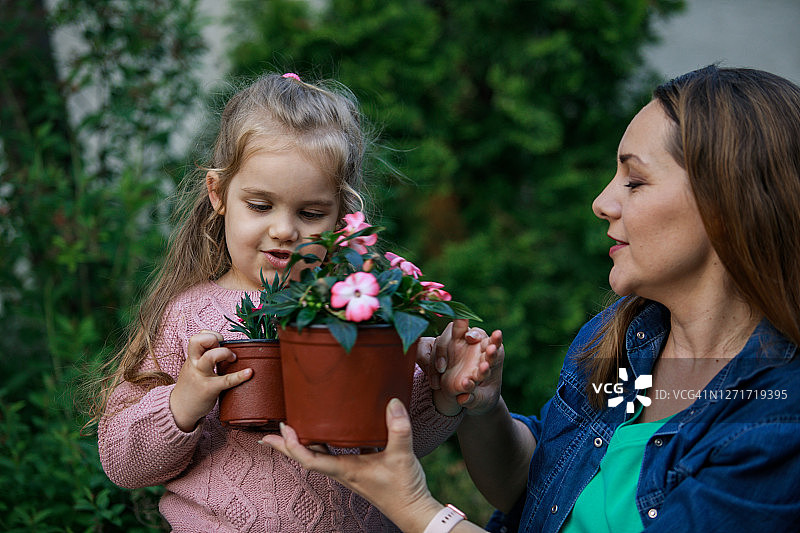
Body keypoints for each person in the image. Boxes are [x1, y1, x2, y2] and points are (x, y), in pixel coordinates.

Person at [262, 65, 800, 532]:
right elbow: (536, 489)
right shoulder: (628, 339)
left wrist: (416, 509)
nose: (602, 202)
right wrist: (483, 408)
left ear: (726, 204)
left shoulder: (777, 424)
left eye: (635, 181)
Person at [92, 72, 495, 532]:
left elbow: (394, 444)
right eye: (260, 206)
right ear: (218, 193)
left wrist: (443, 395)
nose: (284, 230)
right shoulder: (189, 315)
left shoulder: (352, 313)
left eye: (310, 213)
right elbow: (123, 461)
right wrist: (183, 402)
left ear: (343, 215)